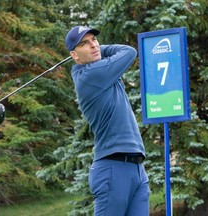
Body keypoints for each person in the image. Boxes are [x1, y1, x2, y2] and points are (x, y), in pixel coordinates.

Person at [65, 25, 150, 216]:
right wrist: (101, 50)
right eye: (84, 43)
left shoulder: (102, 71)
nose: (93, 45)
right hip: (113, 168)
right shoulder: (90, 76)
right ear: (74, 56)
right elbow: (129, 52)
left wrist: (93, 49)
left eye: (94, 40)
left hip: (137, 168)